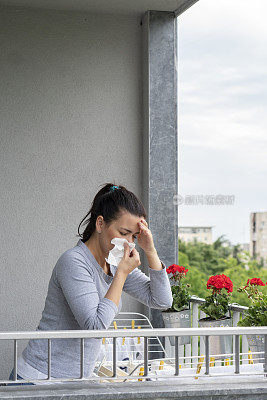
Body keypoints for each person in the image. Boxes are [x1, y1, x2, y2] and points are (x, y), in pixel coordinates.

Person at [7, 183, 173, 385]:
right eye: (123, 233)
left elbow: (162, 300)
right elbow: (94, 326)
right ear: (100, 224)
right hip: (39, 379)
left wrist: (150, 251)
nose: (129, 243)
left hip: (73, 381)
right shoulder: (74, 262)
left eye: (134, 236)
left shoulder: (114, 262)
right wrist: (121, 273)